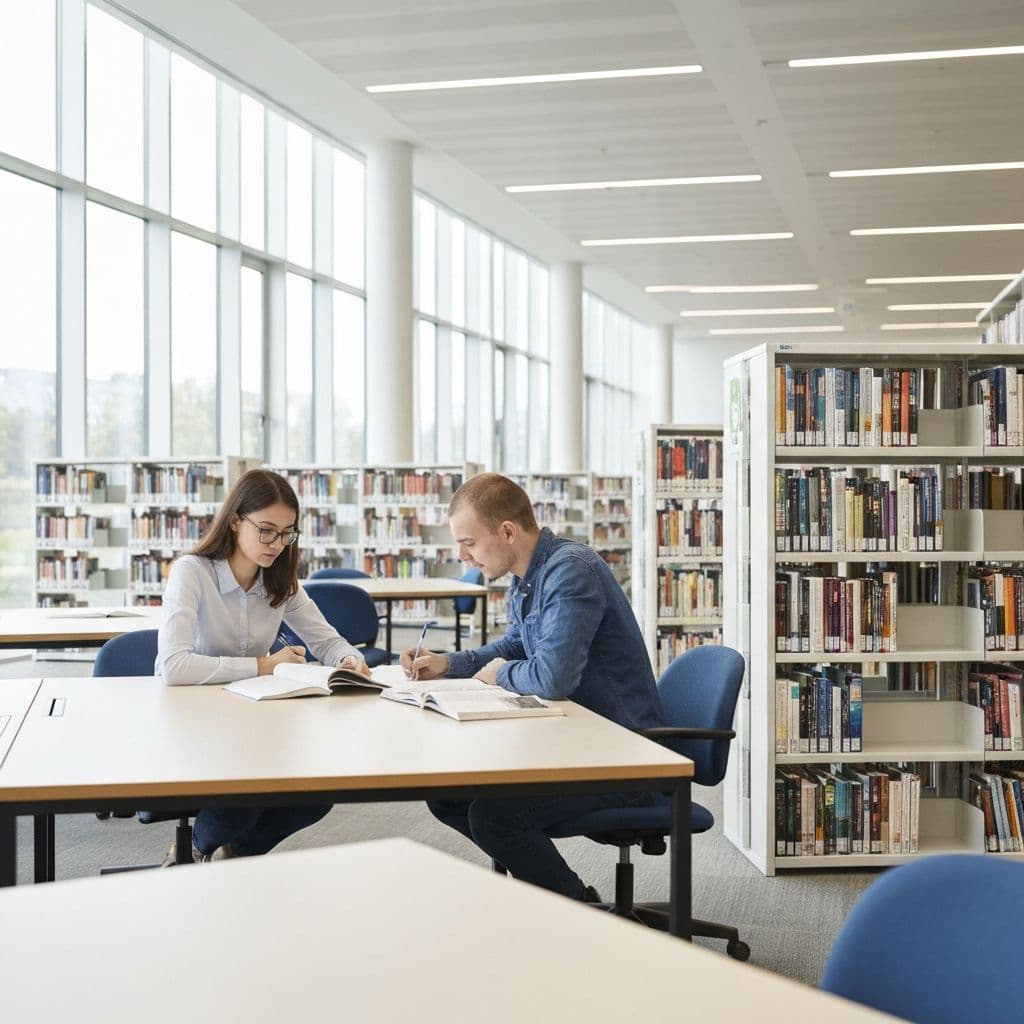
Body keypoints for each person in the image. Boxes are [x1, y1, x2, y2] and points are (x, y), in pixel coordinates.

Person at [401, 472, 664, 901]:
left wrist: (501, 672)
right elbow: (515, 645)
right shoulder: (527, 576)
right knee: (447, 797)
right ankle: (547, 893)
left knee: (496, 817)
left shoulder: (570, 572)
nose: (463, 557)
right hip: (579, 744)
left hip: (625, 759)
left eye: (469, 543)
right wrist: (449, 664)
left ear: (507, 532)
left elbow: (551, 679)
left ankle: (574, 908)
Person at [156, 468, 369, 865]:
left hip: (253, 720)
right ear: (236, 521)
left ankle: (231, 852)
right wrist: (263, 666)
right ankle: (191, 853)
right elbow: (174, 666)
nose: (277, 544)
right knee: (248, 788)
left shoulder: (281, 581)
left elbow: (327, 641)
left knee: (317, 791)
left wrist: (348, 660)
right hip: (191, 722)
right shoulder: (192, 572)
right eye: (267, 531)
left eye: (287, 534)